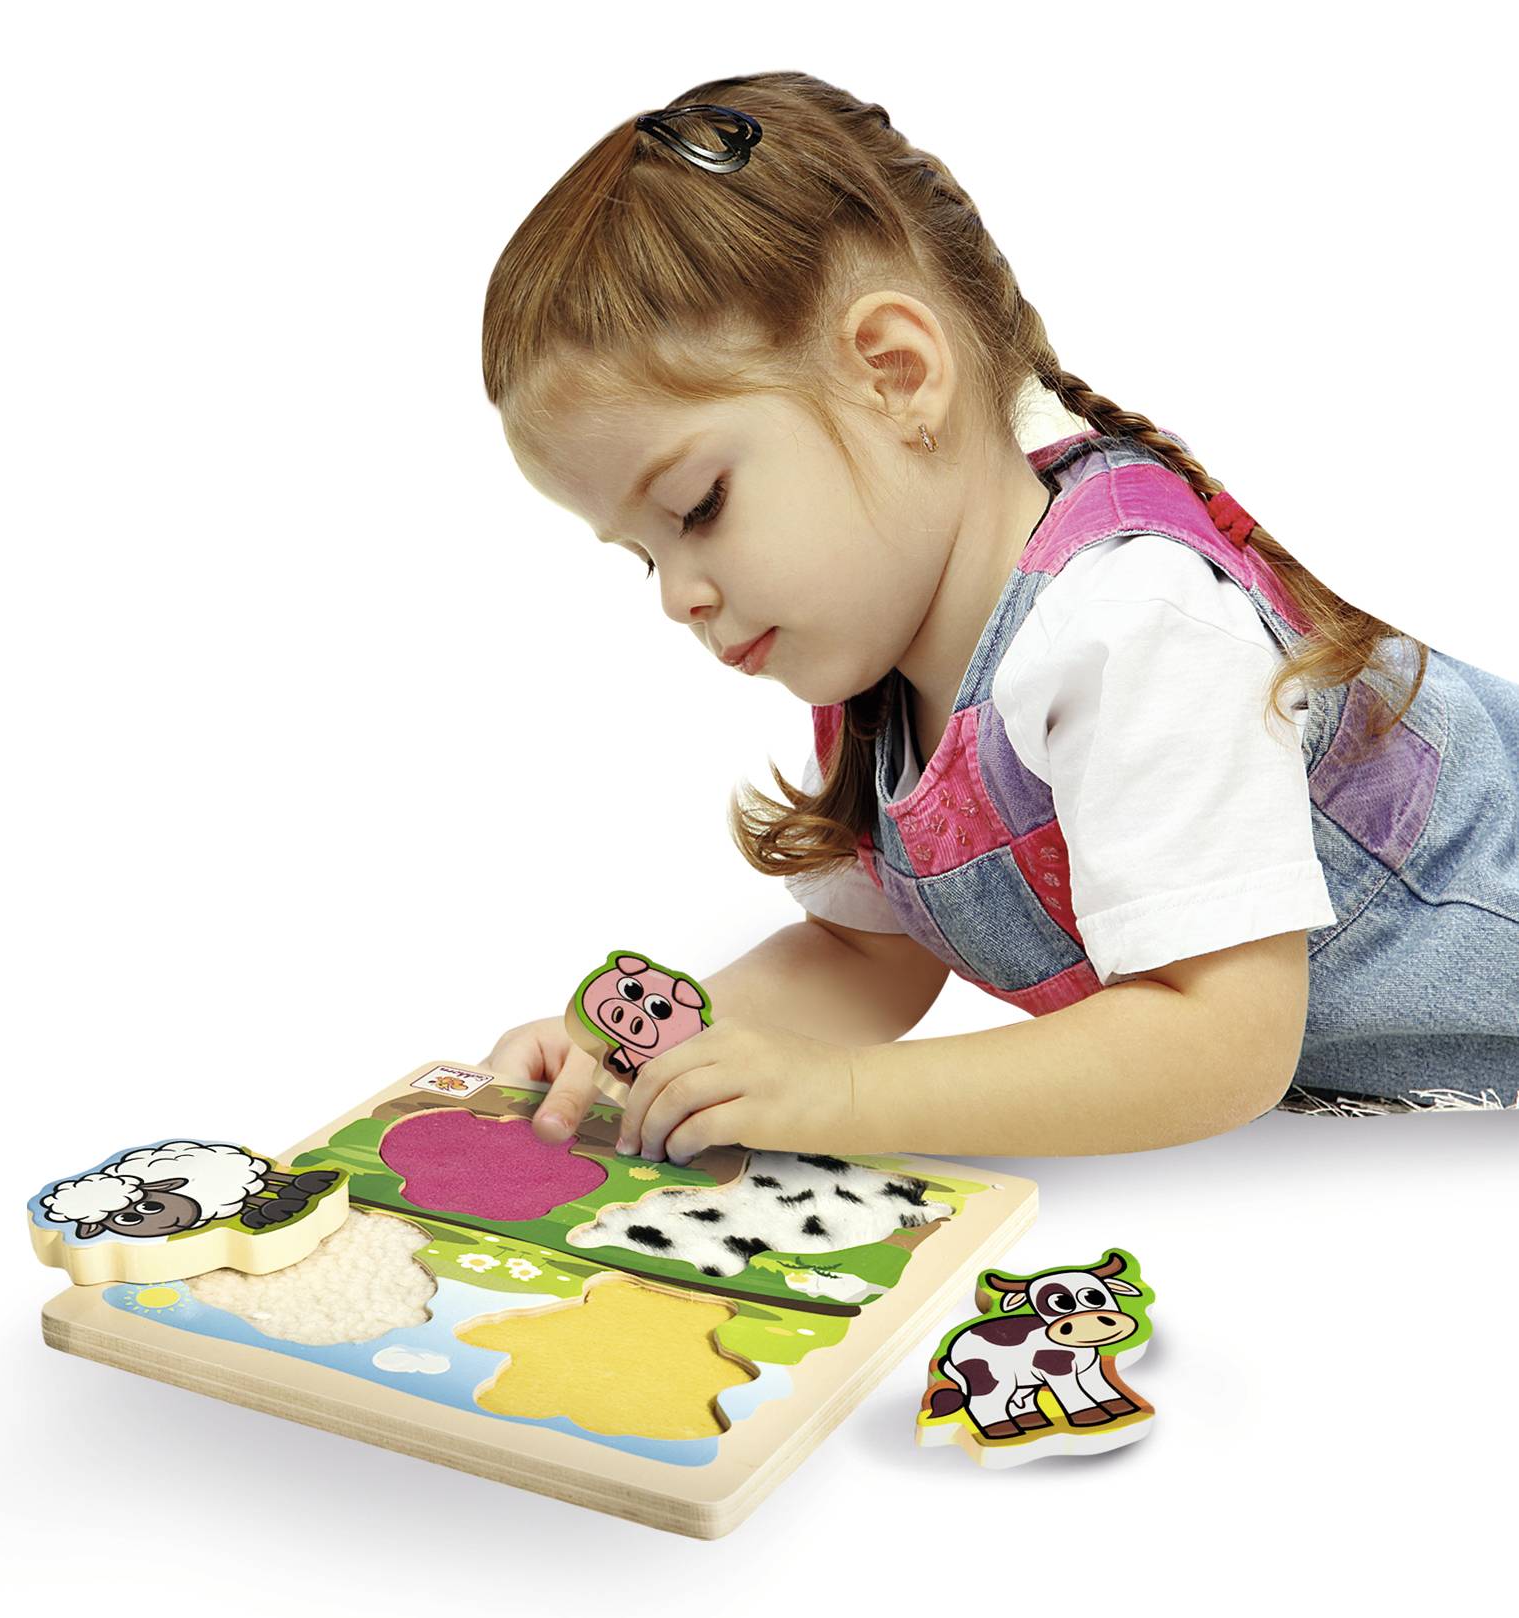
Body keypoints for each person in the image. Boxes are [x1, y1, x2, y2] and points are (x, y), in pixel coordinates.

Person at [478, 74, 1519, 1161]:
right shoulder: (874, 670)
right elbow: (858, 956)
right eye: (640, 556)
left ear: (893, 377)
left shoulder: (1130, 623)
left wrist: (840, 1097)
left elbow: (1222, 1038)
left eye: (699, 507)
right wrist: (646, 1051)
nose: (676, 596)